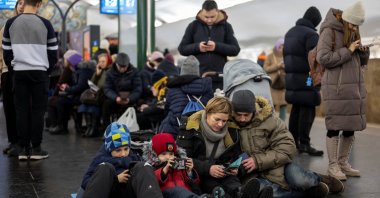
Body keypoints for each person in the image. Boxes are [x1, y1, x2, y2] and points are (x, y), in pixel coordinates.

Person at [230, 90, 344, 198]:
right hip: (253, 175)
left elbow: (288, 147)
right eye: (238, 115)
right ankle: (310, 192)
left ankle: (320, 179)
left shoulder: (270, 121)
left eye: (246, 115)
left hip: (280, 165)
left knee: (300, 180)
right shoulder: (228, 125)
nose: (242, 119)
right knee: (265, 193)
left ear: (253, 111)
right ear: (233, 112)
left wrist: (257, 161)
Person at [177, 96, 271, 198]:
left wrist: (238, 168)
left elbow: (239, 155)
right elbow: (182, 160)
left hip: (224, 172)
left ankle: (242, 193)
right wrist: (208, 169)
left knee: (233, 184)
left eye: (224, 121)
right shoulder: (190, 128)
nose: (220, 124)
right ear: (207, 113)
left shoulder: (231, 131)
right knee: (215, 188)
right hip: (201, 175)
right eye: (217, 119)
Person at [316, 1, 369, 181]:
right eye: (353, 24)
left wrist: (363, 52)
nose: (355, 27)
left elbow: (359, 60)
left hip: (353, 87)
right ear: (346, 20)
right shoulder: (329, 31)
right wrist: (348, 50)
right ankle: (333, 166)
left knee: (350, 126)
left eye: (358, 25)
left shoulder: (352, 31)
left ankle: (343, 162)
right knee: (335, 126)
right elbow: (323, 58)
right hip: (336, 88)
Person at [2, 0, 58, 160]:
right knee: (38, 111)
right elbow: (53, 52)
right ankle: (36, 149)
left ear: (24, 2)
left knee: (21, 110)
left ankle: (22, 148)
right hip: (40, 73)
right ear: (39, 4)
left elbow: (6, 52)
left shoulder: (11, 23)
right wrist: (46, 69)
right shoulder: (46, 24)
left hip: (19, 72)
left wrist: (14, 68)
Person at [80, 122, 164, 198]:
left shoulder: (135, 157)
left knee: (143, 166)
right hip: (110, 193)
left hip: (130, 192)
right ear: (110, 150)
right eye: (118, 150)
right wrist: (114, 180)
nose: (123, 154)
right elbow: (86, 182)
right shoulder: (100, 159)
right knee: (105, 167)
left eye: (126, 149)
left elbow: (149, 179)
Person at [283, 6, 324, 156]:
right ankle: (305, 143)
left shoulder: (290, 33)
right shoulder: (311, 34)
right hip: (307, 78)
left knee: (296, 109)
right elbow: (315, 60)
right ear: (315, 21)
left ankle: (293, 142)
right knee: (308, 109)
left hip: (292, 79)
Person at [178, 0, 240, 90]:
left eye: (212, 17)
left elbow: (235, 49)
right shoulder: (193, 26)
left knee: (217, 103)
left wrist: (216, 47)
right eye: (206, 17)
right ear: (201, 12)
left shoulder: (226, 26)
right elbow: (182, 49)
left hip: (218, 76)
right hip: (198, 77)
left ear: (217, 12)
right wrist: (197, 47)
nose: (209, 20)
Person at [143, 133, 226, 198]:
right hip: (167, 194)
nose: (168, 157)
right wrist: (165, 170)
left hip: (187, 194)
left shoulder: (179, 165)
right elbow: (153, 182)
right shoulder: (151, 168)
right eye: (164, 154)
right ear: (155, 155)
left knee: (186, 191)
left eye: (171, 154)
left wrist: (190, 172)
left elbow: (194, 184)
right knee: (178, 191)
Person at [159, 55, 213, 137]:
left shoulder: (173, 88)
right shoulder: (207, 88)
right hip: (200, 132)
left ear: (182, 71)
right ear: (198, 71)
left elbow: (166, 110)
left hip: (175, 131)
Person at [50, 51, 95, 135]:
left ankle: (61, 126)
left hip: (83, 96)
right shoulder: (80, 70)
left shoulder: (83, 71)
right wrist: (68, 88)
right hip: (80, 95)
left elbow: (80, 86)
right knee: (62, 100)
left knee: (61, 101)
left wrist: (67, 89)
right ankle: (62, 126)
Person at [0, 0, 24, 156]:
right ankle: (13, 141)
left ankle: (22, 142)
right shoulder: (6, 26)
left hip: (23, 71)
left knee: (21, 108)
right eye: (19, 3)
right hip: (7, 72)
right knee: (9, 109)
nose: (21, 5)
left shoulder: (32, 26)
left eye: (24, 2)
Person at [102, 52, 142, 129]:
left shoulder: (134, 72)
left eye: (125, 67)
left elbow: (137, 89)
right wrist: (115, 97)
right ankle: (106, 129)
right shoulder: (110, 73)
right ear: (116, 64)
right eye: (120, 67)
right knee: (106, 105)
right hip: (115, 98)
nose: (123, 69)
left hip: (130, 98)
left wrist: (130, 98)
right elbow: (107, 88)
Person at [78, 53, 110, 137]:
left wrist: (97, 89)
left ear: (107, 62)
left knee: (93, 105)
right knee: (86, 104)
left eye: (103, 61)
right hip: (96, 94)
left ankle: (94, 128)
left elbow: (104, 85)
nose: (101, 63)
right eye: (100, 61)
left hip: (103, 95)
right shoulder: (98, 71)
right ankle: (89, 127)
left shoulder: (109, 71)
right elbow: (91, 83)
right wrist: (96, 74)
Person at [263, 38, 287, 121]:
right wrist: (277, 66)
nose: (282, 48)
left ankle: (282, 125)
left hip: (283, 83)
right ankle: (270, 123)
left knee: (283, 105)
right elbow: (265, 68)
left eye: (284, 46)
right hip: (273, 84)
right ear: (277, 46)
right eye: (280, 46)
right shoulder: (270, 56)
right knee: (272, 105)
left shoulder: (287, 56)